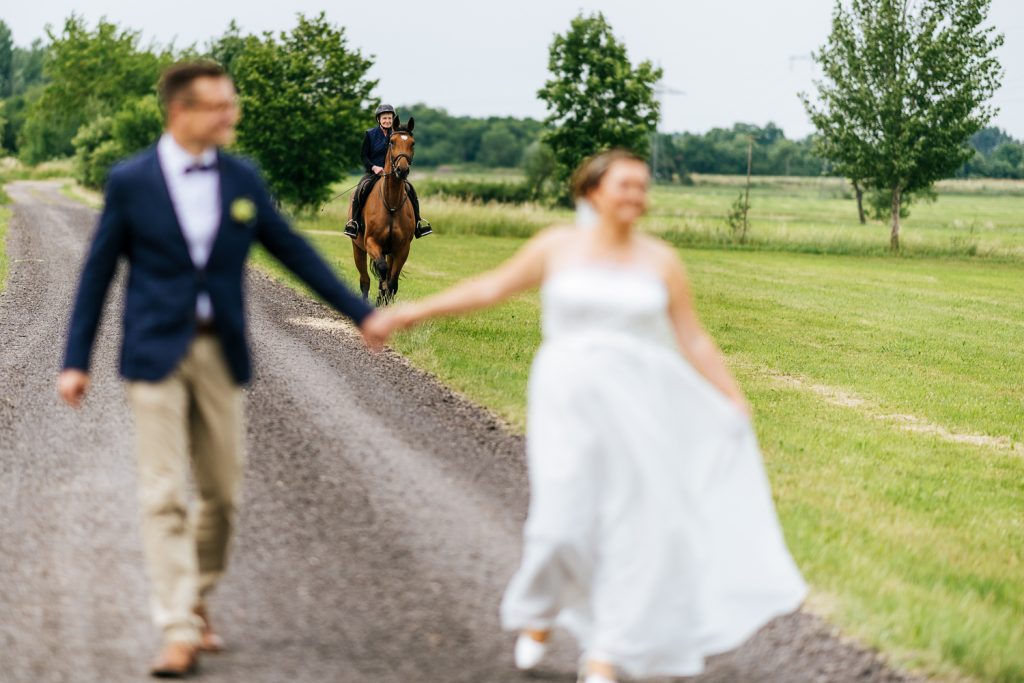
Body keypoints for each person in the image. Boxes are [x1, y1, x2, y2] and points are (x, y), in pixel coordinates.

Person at [374, 150, 807, 683]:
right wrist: (408, 312)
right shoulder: (558, 247)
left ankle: (605, 651)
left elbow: (692, 337)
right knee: (561, 524)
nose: (636, 195)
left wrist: (733, 400)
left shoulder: (661, 261)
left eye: (643, 187)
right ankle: (540, 611)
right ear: (593, 191)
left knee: (632, 526)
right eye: (625, 185)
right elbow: (489, 288)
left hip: (638, 405)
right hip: (566, 398)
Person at [56, 60, 388, 678]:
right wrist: (76, 360)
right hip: (153, 354)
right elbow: (97, 272)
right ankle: (176, 626)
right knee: (161, 495)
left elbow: (290, 248)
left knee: (222, 495)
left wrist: (359, 313)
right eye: (219, 105)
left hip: (220, 352)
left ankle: (197, 595)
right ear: (181, 112)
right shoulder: (131, 181)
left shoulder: (241, 178)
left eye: (231, 104)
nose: (231, 114)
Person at [344, 103, 432, 239]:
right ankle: (353, 223)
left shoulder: (397, 134)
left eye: (390, 118)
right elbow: (364, 156)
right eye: (384, 118)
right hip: (374, 172)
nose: (387, 121)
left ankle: (418, 223)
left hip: (394, 173)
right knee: (361, 189)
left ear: (393, 120)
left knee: (410, 190)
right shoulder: (370, 134)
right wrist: (373, 167)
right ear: (379, 119)